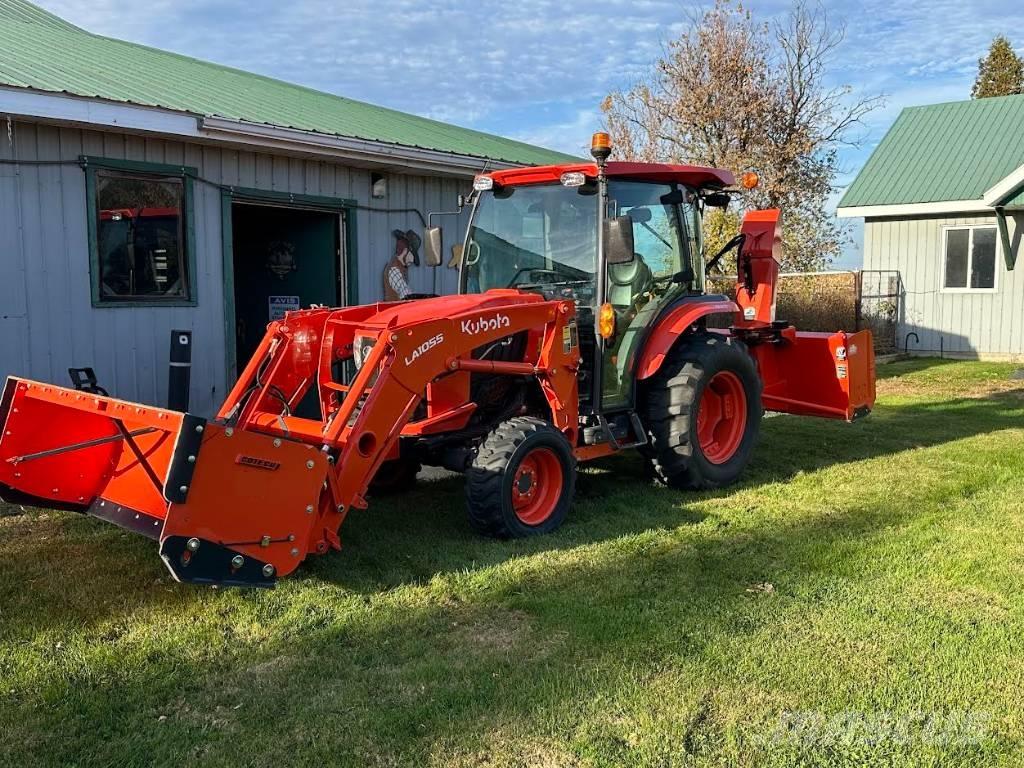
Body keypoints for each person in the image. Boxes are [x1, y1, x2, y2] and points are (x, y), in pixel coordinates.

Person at [383, 229, 421, 301]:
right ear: (405, 251)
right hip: (394, 311)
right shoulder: (394, 270)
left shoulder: (400, 269)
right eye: (411, 254)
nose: (412, 260)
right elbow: (406, 295)